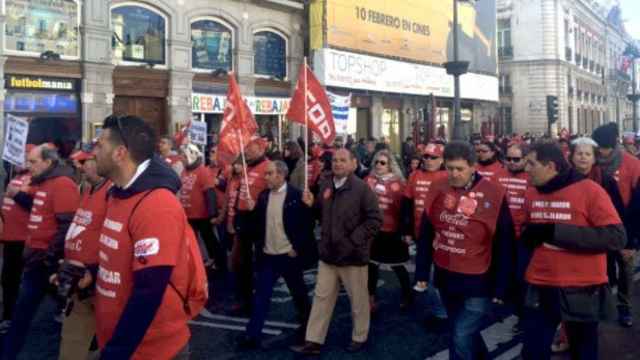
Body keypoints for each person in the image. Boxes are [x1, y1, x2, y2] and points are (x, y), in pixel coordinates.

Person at [91, 115, 197, 359]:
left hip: (151, 349)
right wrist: (89, 273)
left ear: (120, 153)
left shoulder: (156, 204)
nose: (94, 151)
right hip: (117, 338)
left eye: (100, 145)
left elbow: (149, 289)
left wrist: (117, 352)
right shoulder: (117, 193)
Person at [519, 142, 626, 360]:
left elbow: (616, 237)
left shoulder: (590, 190)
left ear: (550, 166)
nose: (525, 169)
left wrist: (555, 231)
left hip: (581, 287)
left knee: (583, 352)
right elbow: (531, 233)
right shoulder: (530, 194)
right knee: (532, 351)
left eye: (531, 163)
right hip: (540, 284)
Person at [415, 141, 515, 360]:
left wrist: (502, 286)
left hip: (479, 278)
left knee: (461, 334)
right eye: (450, 168)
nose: (454, 174)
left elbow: (505, 243)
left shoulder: (494, 192)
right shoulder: (437, 188)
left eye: (460, 168)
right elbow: (426, 232)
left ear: (472, 166)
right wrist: (422, 272)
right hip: (446, 274)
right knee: (461, 331)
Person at [291, 149, 382, 355]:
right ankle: (313, 340)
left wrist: (353, 241)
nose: (338, 164)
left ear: (353, 163)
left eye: (343, 160)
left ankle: (360, 336)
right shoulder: (325, 185)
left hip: (352, 256)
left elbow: (374, 220)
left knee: (358, 300)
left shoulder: (362, 189)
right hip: (328, 254)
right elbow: (319, 214)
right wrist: (311, 204)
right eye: (335, 160)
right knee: (321, 298)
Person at [2, 145, 80, 360]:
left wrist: (50, 258)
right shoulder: (44, 182)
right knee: (29, 314)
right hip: (37, 259)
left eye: (33, 162)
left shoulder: (62, 184)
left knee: (38, 315)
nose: (29, 166)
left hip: (46, 262)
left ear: (48, 163)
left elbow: (66, 226)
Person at [236, 161, 315, 350]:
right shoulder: (263, 196)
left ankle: (310, 332)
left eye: (270, 174)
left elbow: (307, 225)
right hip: (268, 256)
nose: (266, 177)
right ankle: (252, 335)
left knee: (300, 296)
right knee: (261, 297)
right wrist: (251, 209)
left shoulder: (296, 196)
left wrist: (297, 247)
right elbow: (257, 224)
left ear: (281, 175)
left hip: (288, 256)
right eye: (266, 174)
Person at [57, 149, 111, 359]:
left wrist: (94, 270)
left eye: (84, 162)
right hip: (76, 278)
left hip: (97, 280)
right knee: (73, 343)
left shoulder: (112, 192)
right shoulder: (86, 189)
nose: (79, 166)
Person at [592, 122, 640, 327]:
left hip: (625, 229)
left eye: (601, 149)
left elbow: (638, 204)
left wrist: (632, 241)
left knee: (626, 272)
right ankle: (604, 305)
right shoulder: (591, 165)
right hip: (598, 231)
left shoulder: (632, 163)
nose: (599, 153)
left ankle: (625, 307)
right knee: (602, 271)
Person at [364, 150, 411, 312]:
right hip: (373, 230)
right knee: (372, 265)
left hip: (392, 231)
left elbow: (404, 211)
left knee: (397, 265)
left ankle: (408, 294)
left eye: (382, 162)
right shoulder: (368, 180)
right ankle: (370, 299)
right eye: (376, 162)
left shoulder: (399, 184)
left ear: (390, 165)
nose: (378, 165)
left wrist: (405, 231)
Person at [230, 139, 271, 315]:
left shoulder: (268, 166)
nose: (245, 151)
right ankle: (245, 300)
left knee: (262, 263)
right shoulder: (248, 167)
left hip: (260, 220)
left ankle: (261, 300)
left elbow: (274, 191)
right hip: (243, 220)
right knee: (241, 262)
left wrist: (259, 204)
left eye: (249, 148)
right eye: (245, 148)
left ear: (261, 149)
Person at [178, 143, 224, 272]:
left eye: (184, 156)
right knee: (192, 242)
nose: (182, 158)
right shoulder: (184, 171)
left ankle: (219, 263)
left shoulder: (202, 171)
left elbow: (210, 193)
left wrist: (212, 214)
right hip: (188, 215)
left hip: (202, 215)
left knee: (210, 240)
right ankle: (197, 263)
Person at [0, 159, 31, 334]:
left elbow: (34, 205)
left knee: (18, 281)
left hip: (23, 240)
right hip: (9, 239)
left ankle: (15, 319)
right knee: (7, 280)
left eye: (26, 158)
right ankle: (8, 316)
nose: (19, 162)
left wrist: (16, 195)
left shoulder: (34, 180)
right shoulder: (13, 177)